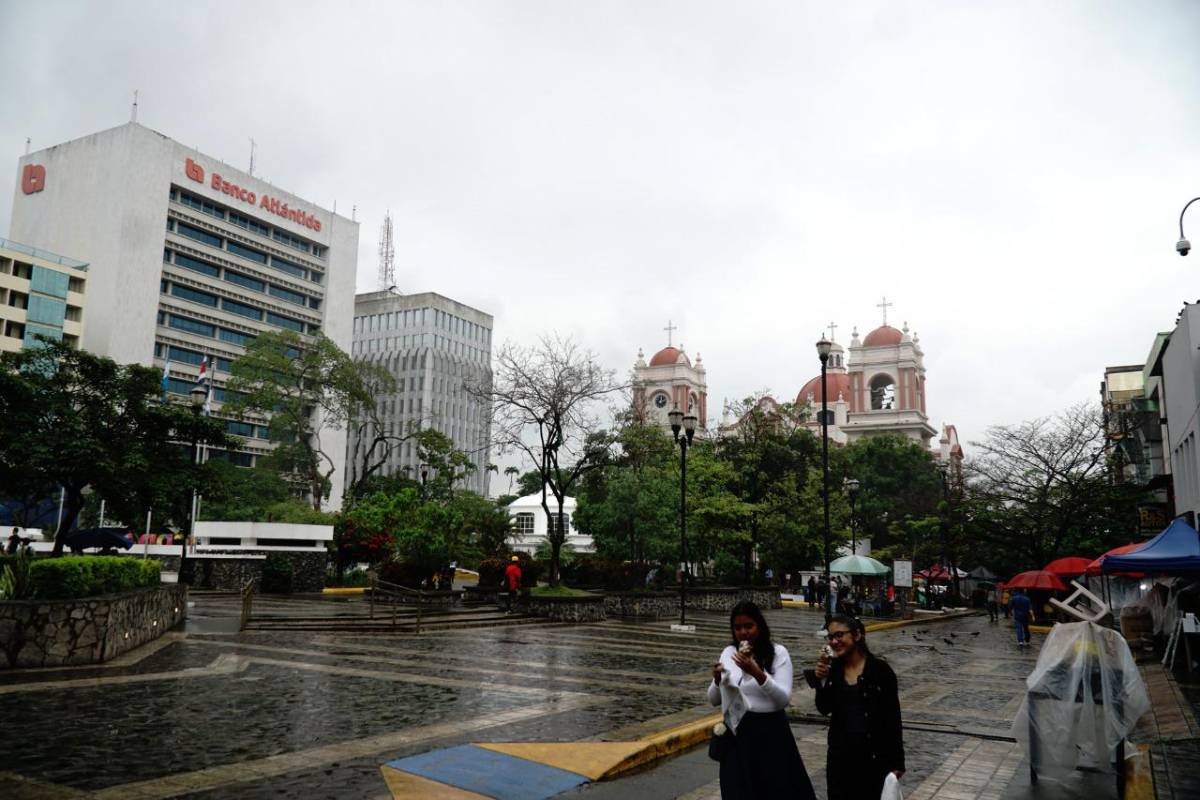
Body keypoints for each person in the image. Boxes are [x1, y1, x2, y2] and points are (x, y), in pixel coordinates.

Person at [708, 601, 815, 800]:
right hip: (737, 732)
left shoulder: (778, 653)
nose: (743, 632)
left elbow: (783, 699)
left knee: (773, 790)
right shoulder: (729, 653)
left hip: (770, 733)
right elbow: (713, 699)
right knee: (736, 790)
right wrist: (717, 681)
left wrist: (757, 672)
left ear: (759, 625)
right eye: (738, 628)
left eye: (749, 626)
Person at [813, 615, 905, 800]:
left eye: (839, 635)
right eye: (830, 637)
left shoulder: (880, 670)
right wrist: (821, 681)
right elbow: (824, 707)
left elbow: (892, 717)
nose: (834, 641)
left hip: (874, 759)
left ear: (856, 635)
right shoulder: (833, 670)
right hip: (841, 761)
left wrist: (897, 763)